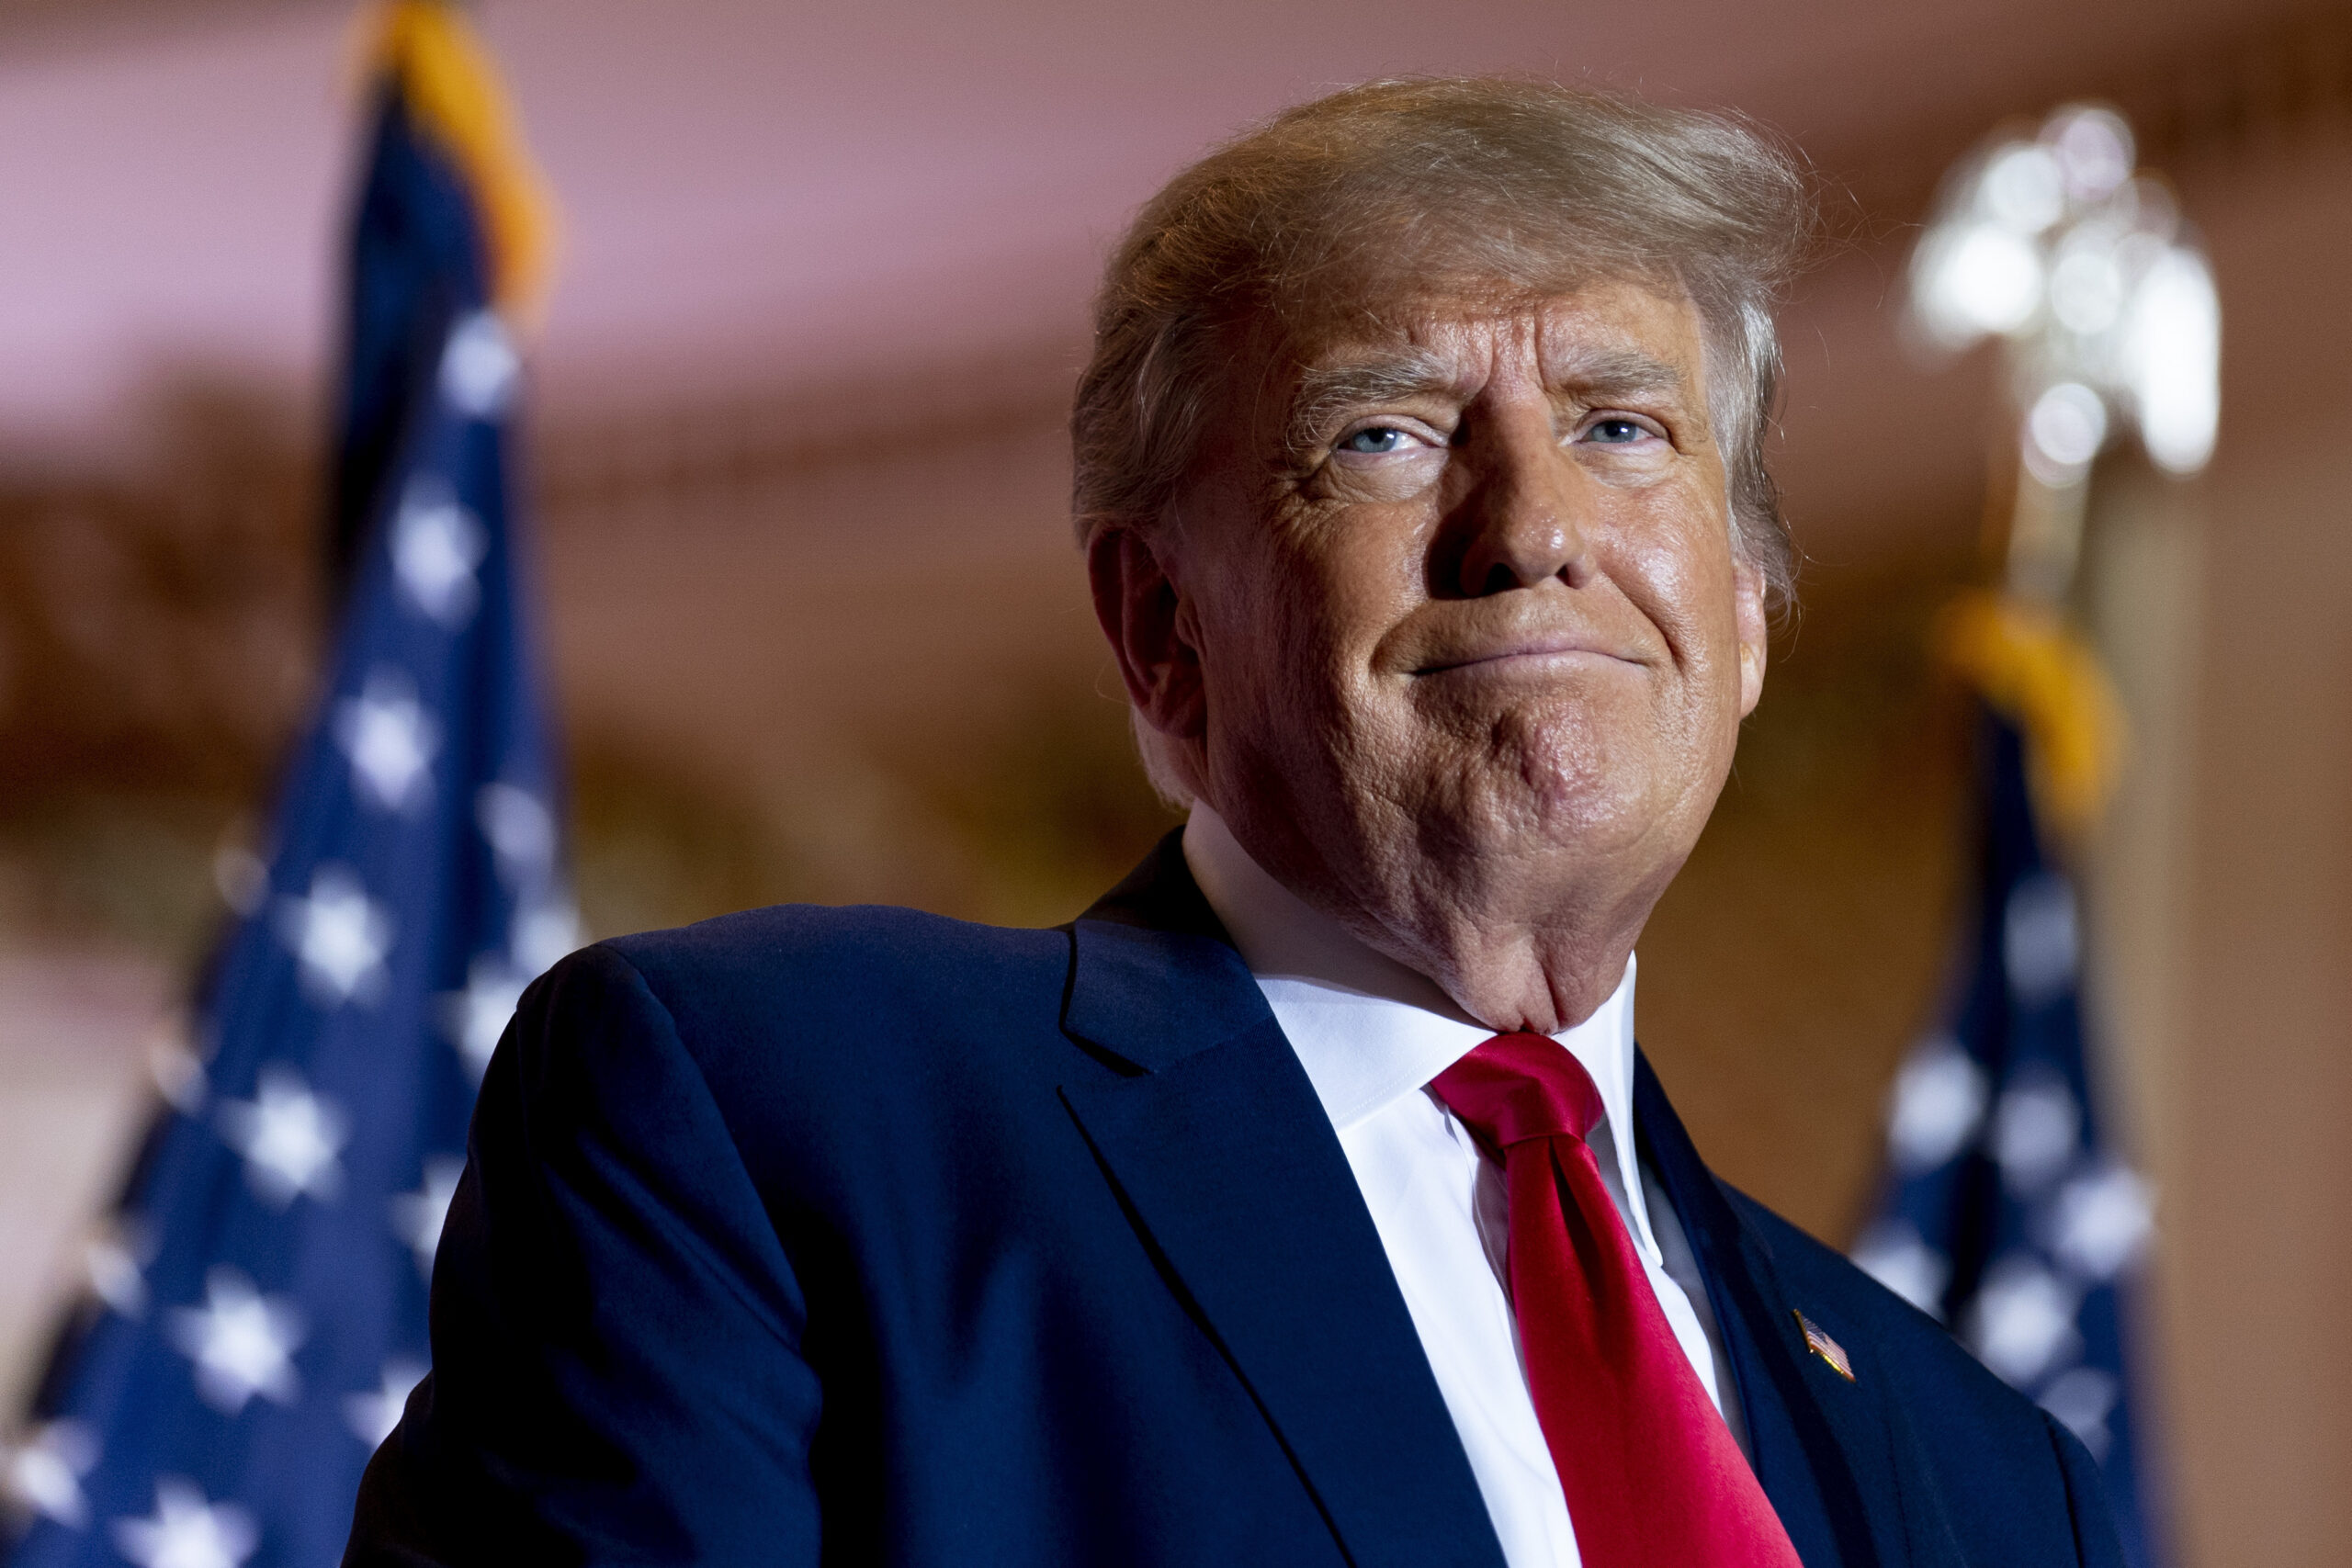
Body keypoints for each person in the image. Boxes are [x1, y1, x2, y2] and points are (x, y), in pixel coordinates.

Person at [346, 78, 2124, 1567]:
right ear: (1159, 629)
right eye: (1386, 435)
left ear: (1742, 615)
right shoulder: (773, 1118)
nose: (1532, 526)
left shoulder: (1987, 1477)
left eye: (1622, 424)